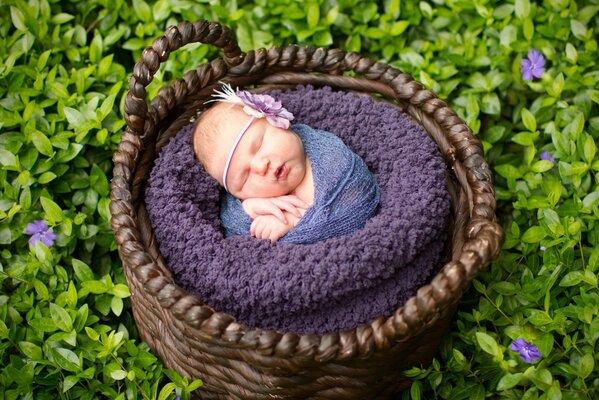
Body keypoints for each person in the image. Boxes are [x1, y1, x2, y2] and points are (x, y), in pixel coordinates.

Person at [193, 83, 380, 243]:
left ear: (278, 122)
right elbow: (237, 242)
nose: (260, 166)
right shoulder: (246, 207)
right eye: (244, 177)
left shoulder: (333, 160)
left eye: (258, 145)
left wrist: (292, 223)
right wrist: (248, 211)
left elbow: (361, 202)